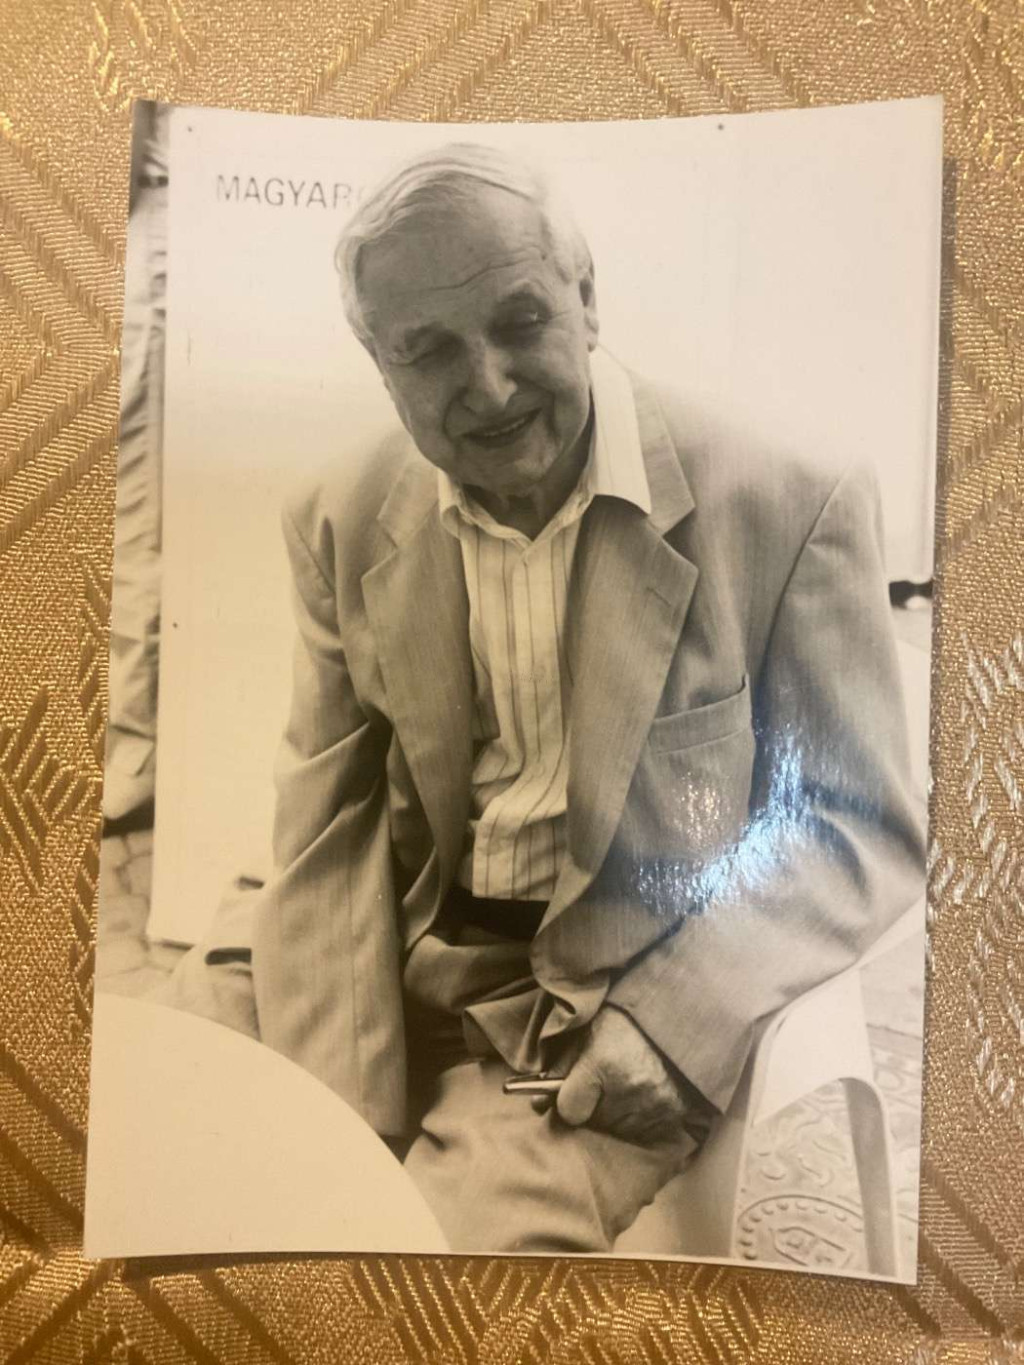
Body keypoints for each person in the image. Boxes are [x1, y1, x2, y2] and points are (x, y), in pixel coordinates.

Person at [163, 142, 925, 1253]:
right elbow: (330, 827)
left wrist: (672, 1027)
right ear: (379, 362)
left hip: (605, 992)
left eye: (520, 321)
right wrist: (334, 1112)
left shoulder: (788, 498)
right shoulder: (338, 511)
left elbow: (857, 824)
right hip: (371, 926)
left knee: (416, 1280)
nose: (488, 386)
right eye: (428, 350)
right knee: (157, 1158)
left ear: (587, 299)